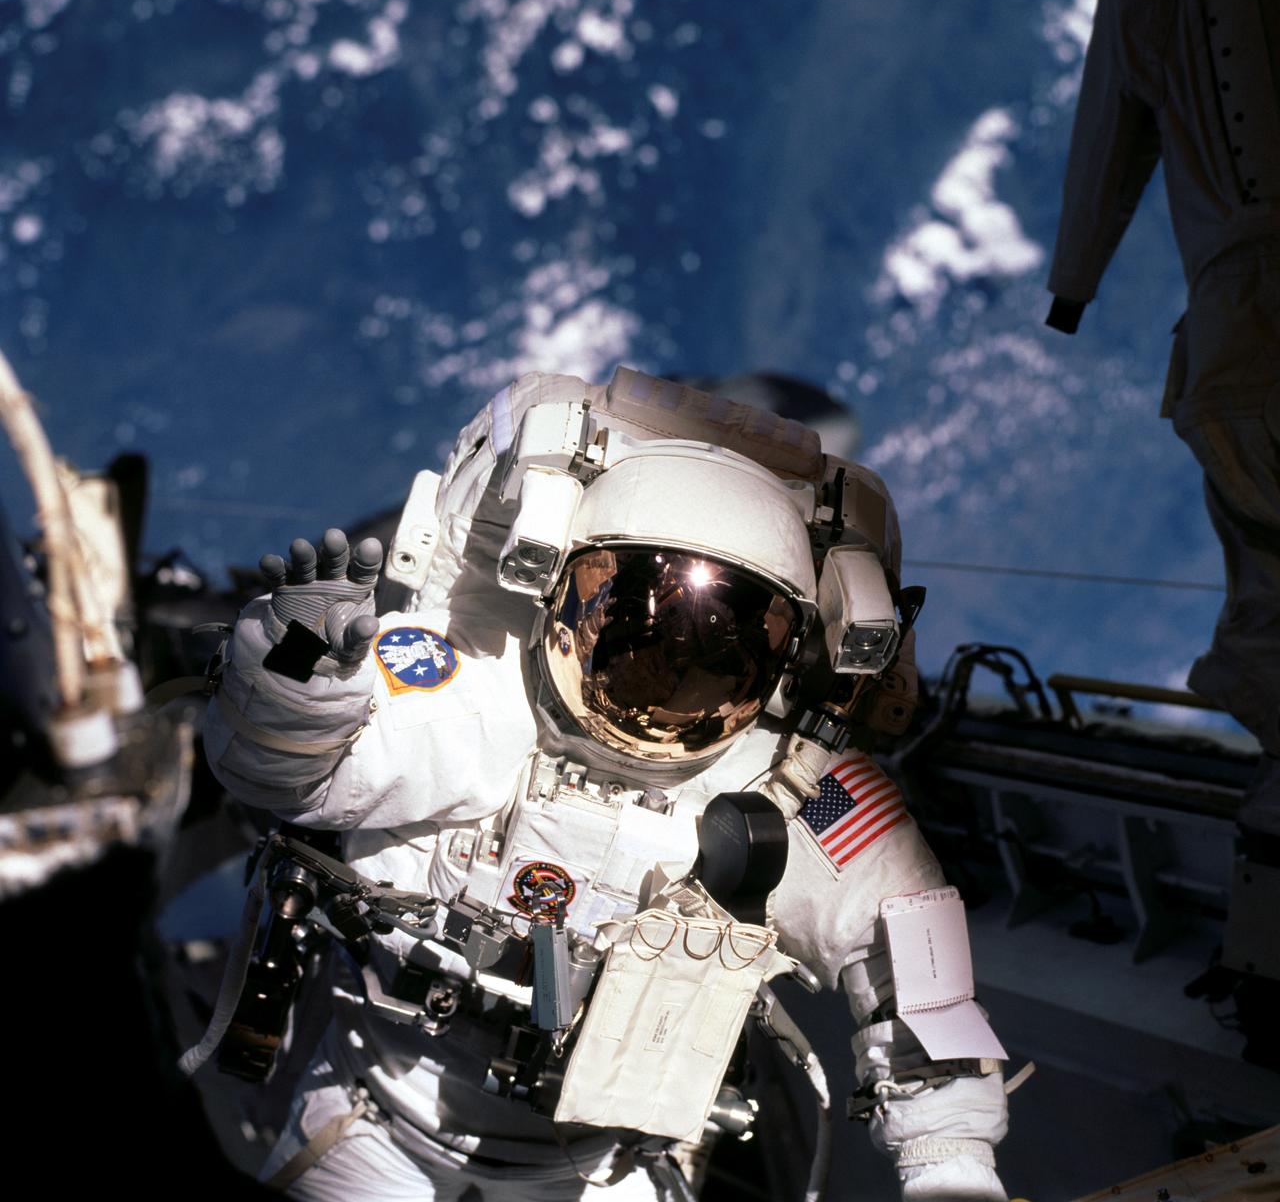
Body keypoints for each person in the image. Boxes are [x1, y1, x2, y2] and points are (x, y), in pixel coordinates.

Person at [204, 367, 1010, 1200]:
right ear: (560, 595)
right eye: (636, 623)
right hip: (380, 1134)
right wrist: (292, 690)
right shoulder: (480, 693)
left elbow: (917, 982)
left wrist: (951, 1170)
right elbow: (294, 775)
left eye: (722, 643)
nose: (670, 671)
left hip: (603, 1171)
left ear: (784, 655)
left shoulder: (800, 790)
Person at [1044, 0, 1280, 810]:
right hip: (1241, 338)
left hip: (1243, 342)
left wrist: (1074, 285)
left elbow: (1114, 111)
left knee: (1269, 602)